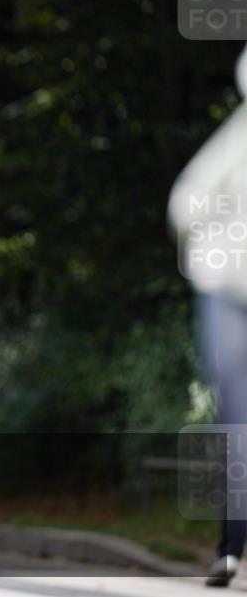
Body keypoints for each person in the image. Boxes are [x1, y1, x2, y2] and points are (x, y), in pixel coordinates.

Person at [168, 44, 247, 588]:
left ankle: (229, 551)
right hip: (228, 291)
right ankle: (230, 548)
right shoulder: (237, 141)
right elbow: (188, 203)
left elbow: (184, 206)